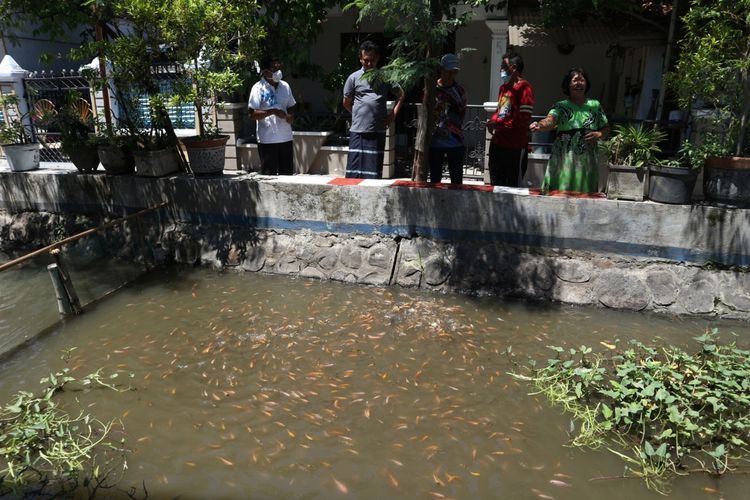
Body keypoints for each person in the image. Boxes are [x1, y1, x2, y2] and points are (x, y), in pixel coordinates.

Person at [529, 67, 609, 194]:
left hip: (587, 164)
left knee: (585, 200)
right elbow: (550, 120)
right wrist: (539, 125)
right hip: (563, 162)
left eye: (582, 80)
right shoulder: (560, 106)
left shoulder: (595, 105)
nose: (579, 83)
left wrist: (599, 134)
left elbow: (606, 128)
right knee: (559, 197)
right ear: (568, 84)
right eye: (575, 80)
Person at [343, 40, 405, 179]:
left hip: (377, 130)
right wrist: (358, 115)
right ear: (360, 59)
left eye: (372, 60)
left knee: (373, 173)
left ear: (377, 58)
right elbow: (346, 102)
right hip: (357, 131)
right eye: (365, 60)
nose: (369, 63)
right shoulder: (353, 78)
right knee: (354, 173)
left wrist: (392, 116)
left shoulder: (384, 77)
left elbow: (401, 95)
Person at [486, 52, 535, 187]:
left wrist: (500, 123)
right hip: (497, 144)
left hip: (515, 147)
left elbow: (524, 118)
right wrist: (492, 121)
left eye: (503, 66)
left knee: (512, 187)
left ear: (513, 68)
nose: (501, 70)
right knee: (495, 184)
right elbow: (501, 111)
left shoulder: (525, 88)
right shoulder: (504, 88)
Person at [248, 55, 296, 175]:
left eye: (279, 68)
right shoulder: (258, 88)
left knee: (287, 175)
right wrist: (272, 111)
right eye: (274, 69)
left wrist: (291, 116)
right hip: (267, 139)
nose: (278, 72)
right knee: (269, 177)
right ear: (265, 71)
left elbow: (291, 105)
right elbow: (252, 114)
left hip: (286, 137)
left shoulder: (285, 86)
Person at [428, 53, 468, 184]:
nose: (450, 75)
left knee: (456, 181)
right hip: (435, 142)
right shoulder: (431, 89)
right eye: (448, 72)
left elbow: (462, 113)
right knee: (435, 180)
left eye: (454, 72)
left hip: (455, 141)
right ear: (441, 70)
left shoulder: (460, 90)